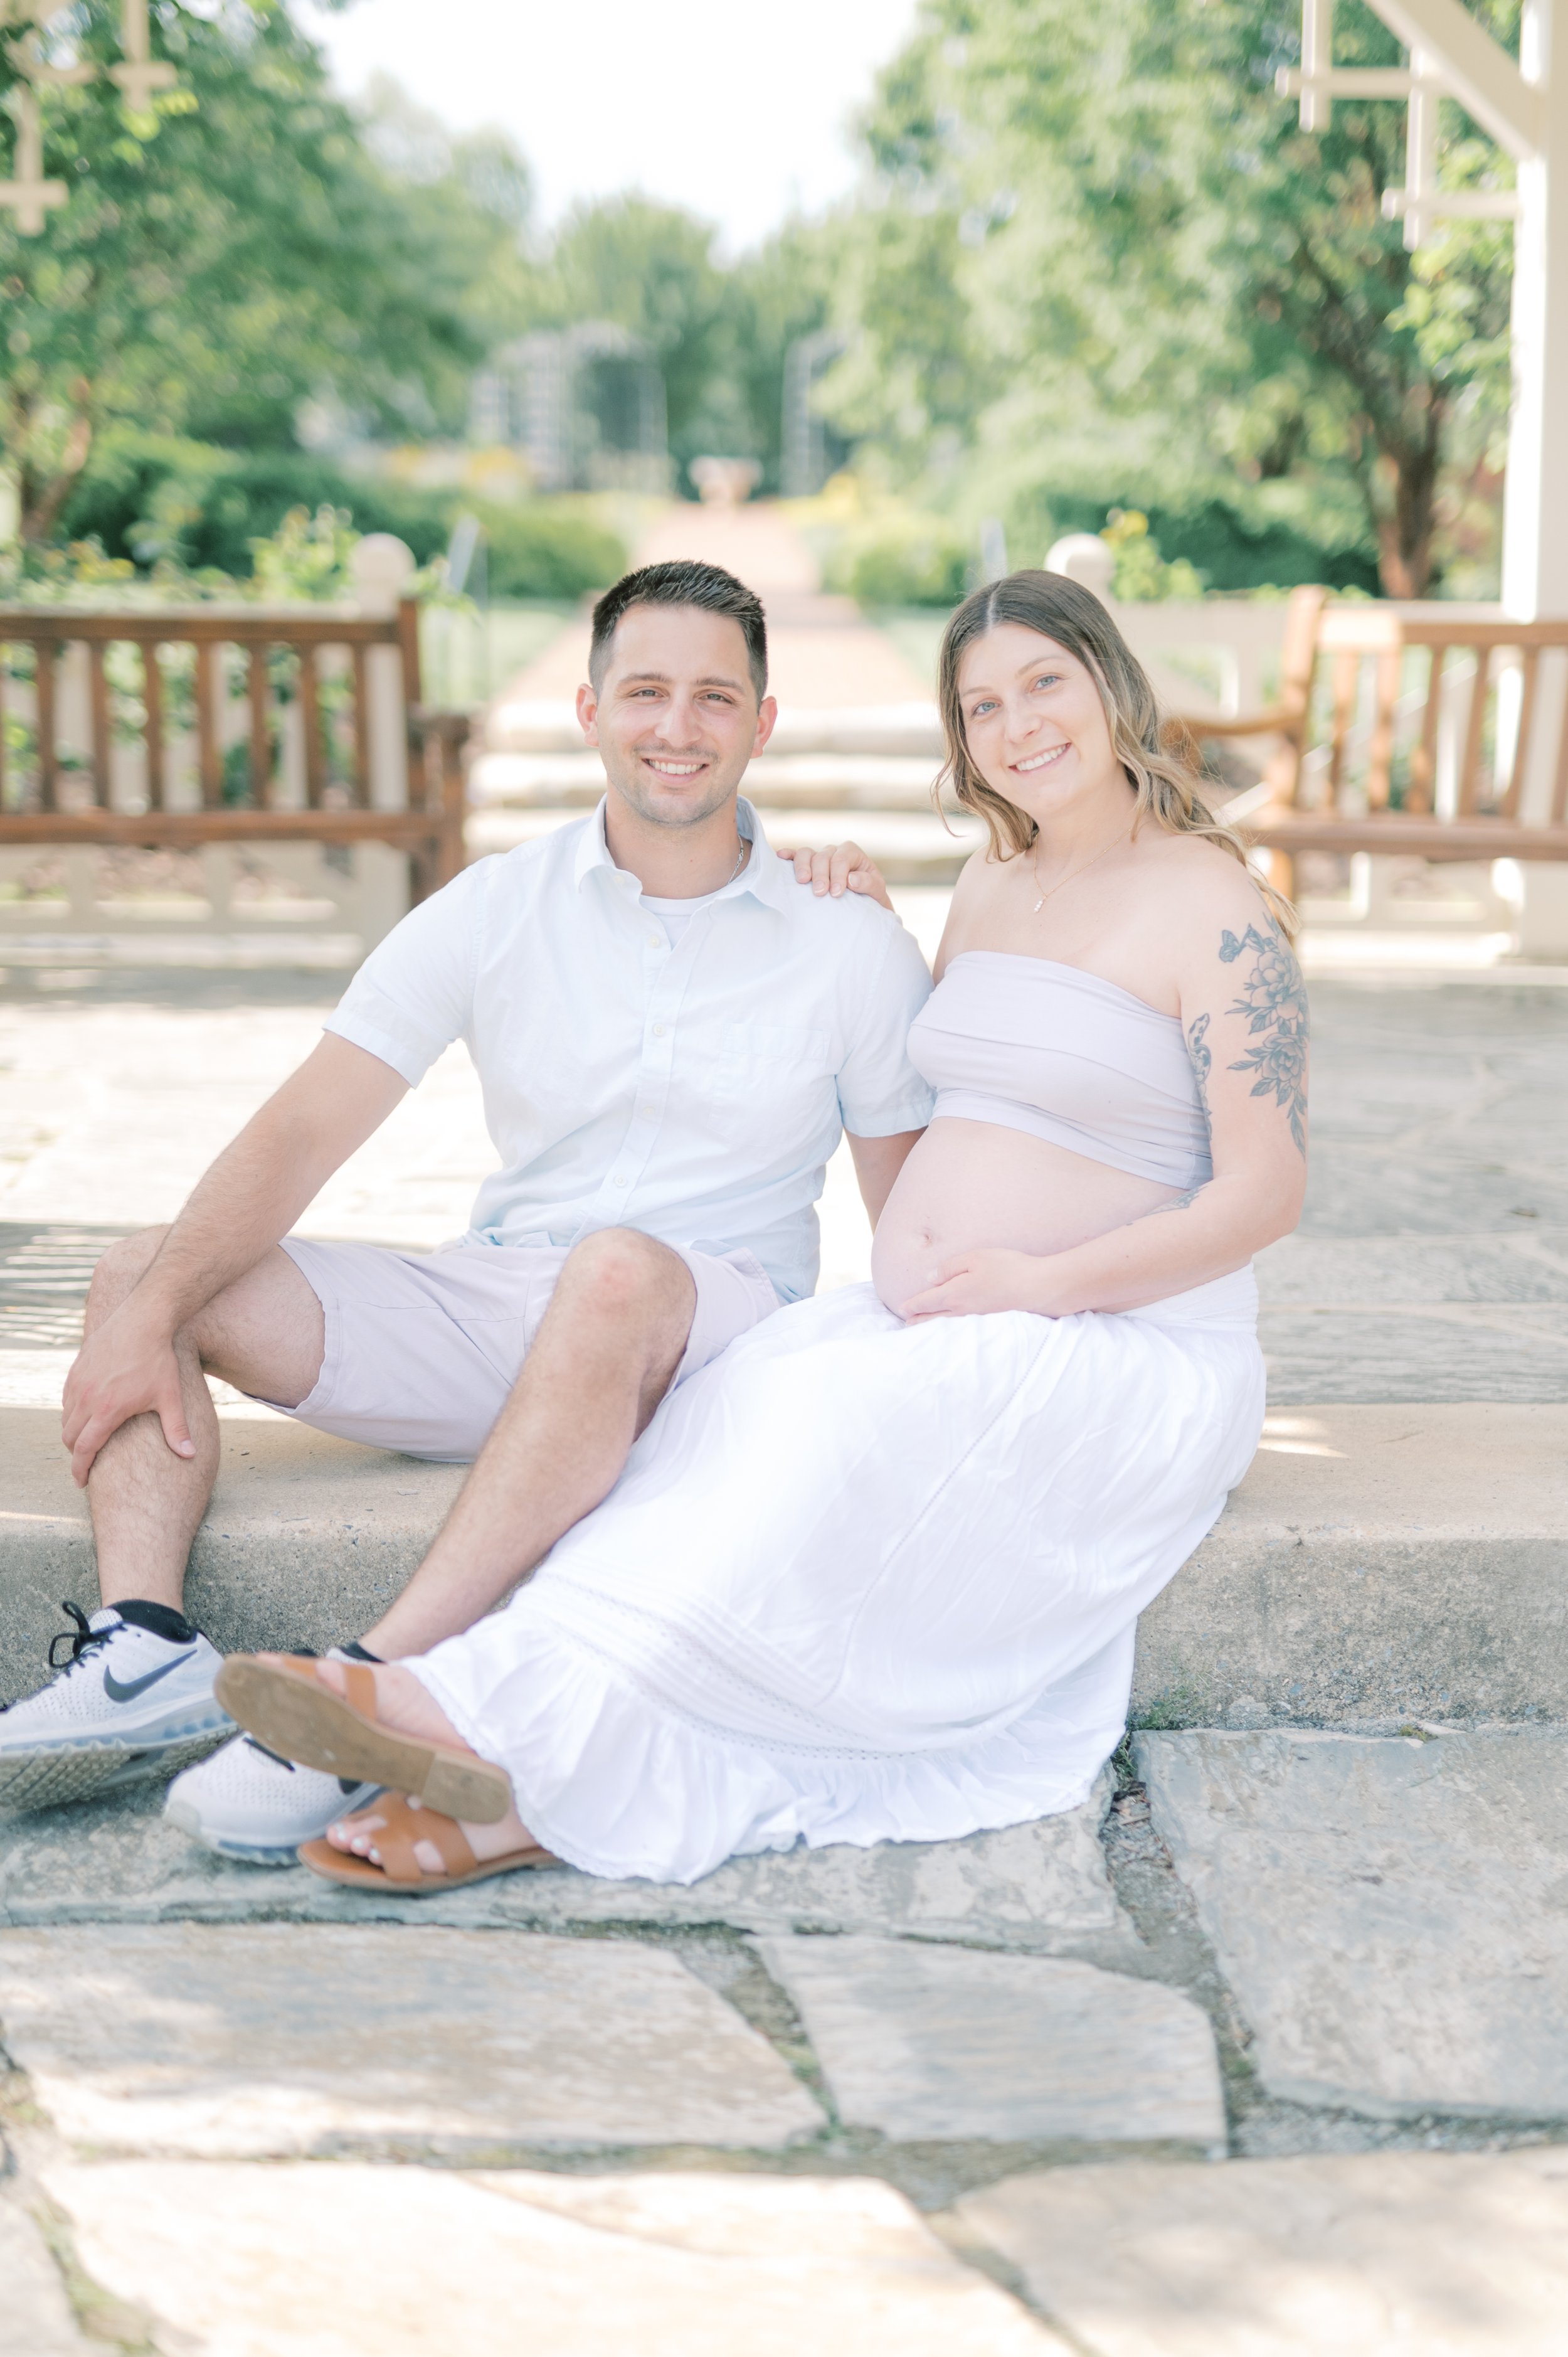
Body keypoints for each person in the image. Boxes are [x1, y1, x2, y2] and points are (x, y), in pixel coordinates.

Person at [214, 568, 1309, 1893]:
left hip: (1118, 1346)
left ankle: (462, 1723)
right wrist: (848, 896)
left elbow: (1262, 1194)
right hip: (956, 1317)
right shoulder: (992, 880)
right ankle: (507, 1774)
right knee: (713, 1447)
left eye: (1042, 685)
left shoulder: (1216, 905)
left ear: (1108, 687)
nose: (1017, 725)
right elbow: (965, 1071)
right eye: (980, 705)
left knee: (813, 1451)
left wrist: (1042, 1280)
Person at [0, 560, 931, 1851]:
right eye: (645, 690)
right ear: (588, 707)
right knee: (144, 1272)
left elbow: (917, 1228)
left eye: (714, 697)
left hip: (707, 1342)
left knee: (616, 1268)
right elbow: (307, 1125)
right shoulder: (499, 906)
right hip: (506, 1304)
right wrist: (149, 1308)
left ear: (761, 723)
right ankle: (141, 1648)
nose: (677, 725)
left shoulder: (851, 945)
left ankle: (366, 1685)